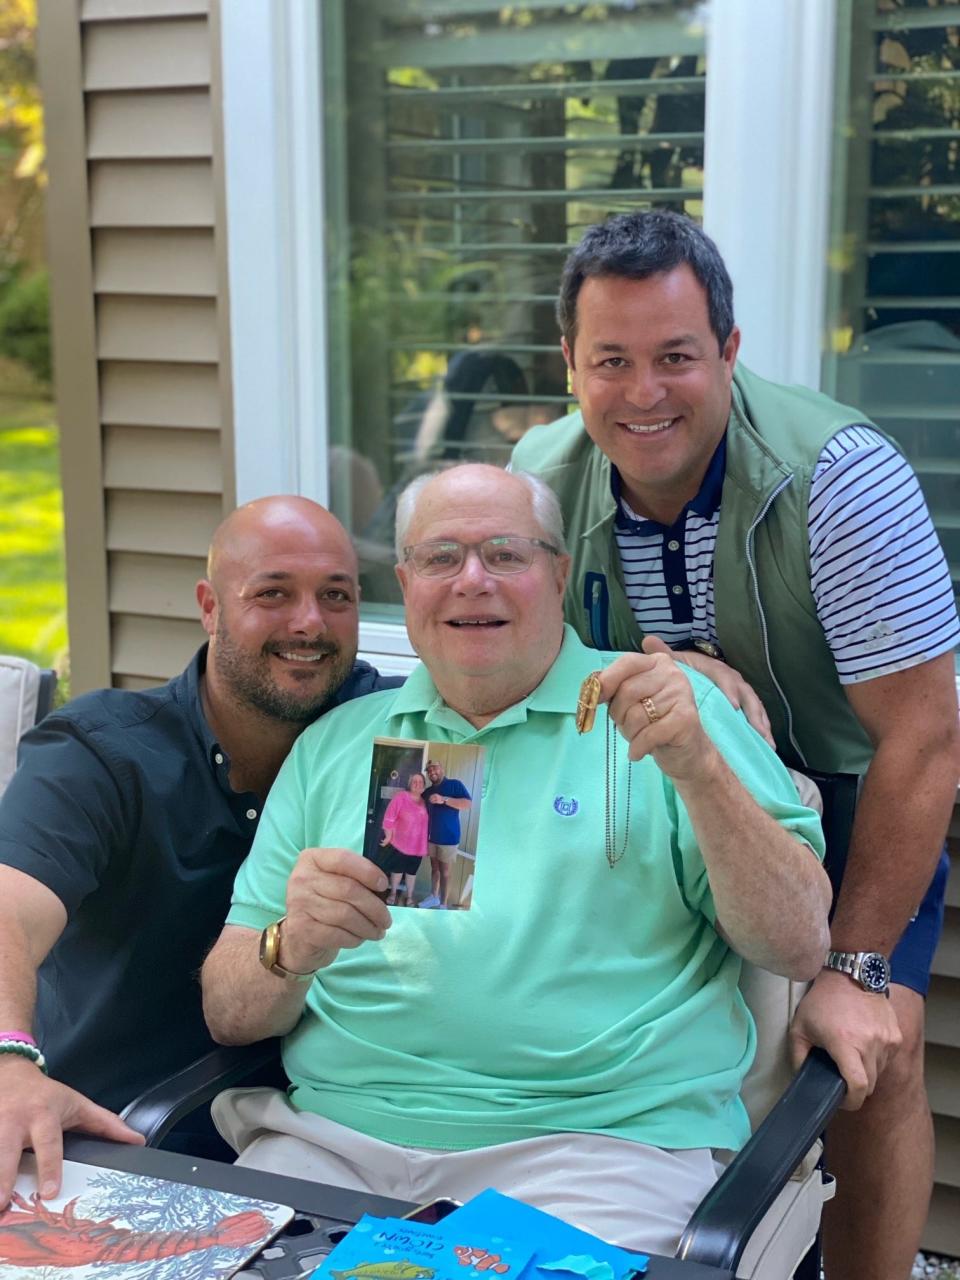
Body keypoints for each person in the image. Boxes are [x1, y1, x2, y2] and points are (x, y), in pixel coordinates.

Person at [201, 464, 831, 1255]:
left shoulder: (670, 713)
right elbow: (228, 1012)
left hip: (593, 1153)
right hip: (334, 1141)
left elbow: (798, 943)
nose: (472, 581)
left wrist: (699, 771)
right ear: (405, 582)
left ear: (559, 574)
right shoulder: (336, 741)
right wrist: (288, 947)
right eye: (440, 558)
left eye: (506, 554)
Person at [510, 210, 960, 1280]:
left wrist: (853, 967)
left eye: (676, 356)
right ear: (568, 362)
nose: (644, 392)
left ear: (731, 350)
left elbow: (927, 739)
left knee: (864, 1058)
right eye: (610, 360)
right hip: (657, 800)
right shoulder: (538, 472)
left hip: (857, 793)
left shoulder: (840, 477)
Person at [0, 496, 400, 1208]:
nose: (308, 623)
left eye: (334, 596)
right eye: (273, 593)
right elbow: (9, 909)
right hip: (108, 1136)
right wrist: (8, 1058)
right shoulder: (104, 752)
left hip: (325, 1137)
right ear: (210, 607)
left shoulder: (395, 736)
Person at [419, 759, 471, 909]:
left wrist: (444, 800)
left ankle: (443, 904)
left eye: (434, 768)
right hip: (432, 838)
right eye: (429, 770)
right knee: (434, 869)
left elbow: (467, 804)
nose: (432, 772)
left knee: (445, 872)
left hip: (449, 838)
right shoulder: (428, 792)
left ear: (442, 769)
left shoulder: (455, 784)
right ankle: (434, 897)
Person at [379, 772, 429, 906]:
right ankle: (393, 893)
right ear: (409, 784)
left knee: (412, 873)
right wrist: (388, 836)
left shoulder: (425, 803)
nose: (417, 784)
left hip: (418, 846)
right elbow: (389, 817)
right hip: (400, 844)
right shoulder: (401, 797)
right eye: (414, 781)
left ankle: (409, 896)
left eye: (420, 782)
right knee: (397, 871)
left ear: (424, 787)